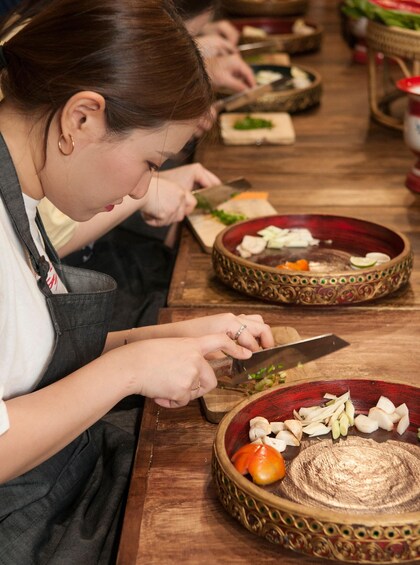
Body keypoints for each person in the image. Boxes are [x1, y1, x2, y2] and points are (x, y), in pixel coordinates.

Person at [0, 1, 275, 563]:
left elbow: (24, 360)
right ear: (82, 118)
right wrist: (126, 369)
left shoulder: (24, 190)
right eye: (151, 161)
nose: (139, 190)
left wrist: (167, 339)